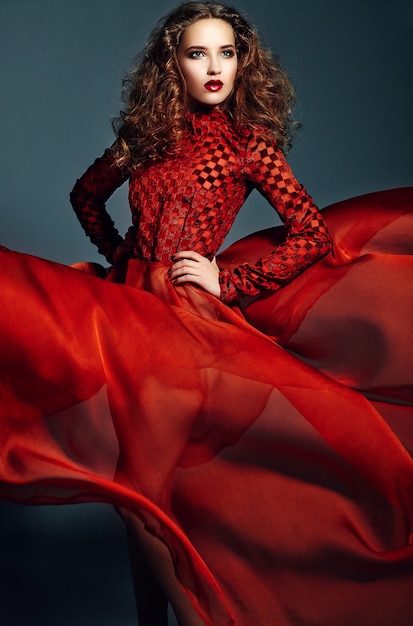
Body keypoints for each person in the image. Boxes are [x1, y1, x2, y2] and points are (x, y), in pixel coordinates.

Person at [0, 2, 412, 625]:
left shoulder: (248, 146)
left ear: (245, 62)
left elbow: (311, 234)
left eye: (227, 52)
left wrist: (228, 280)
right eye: (198, 53)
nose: (215, 67)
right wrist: (121, 253)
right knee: (133, 490)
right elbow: (85, 195)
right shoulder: (144, 139)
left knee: (148, 485)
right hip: (120, 308)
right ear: (174, 66)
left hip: (181, 323)